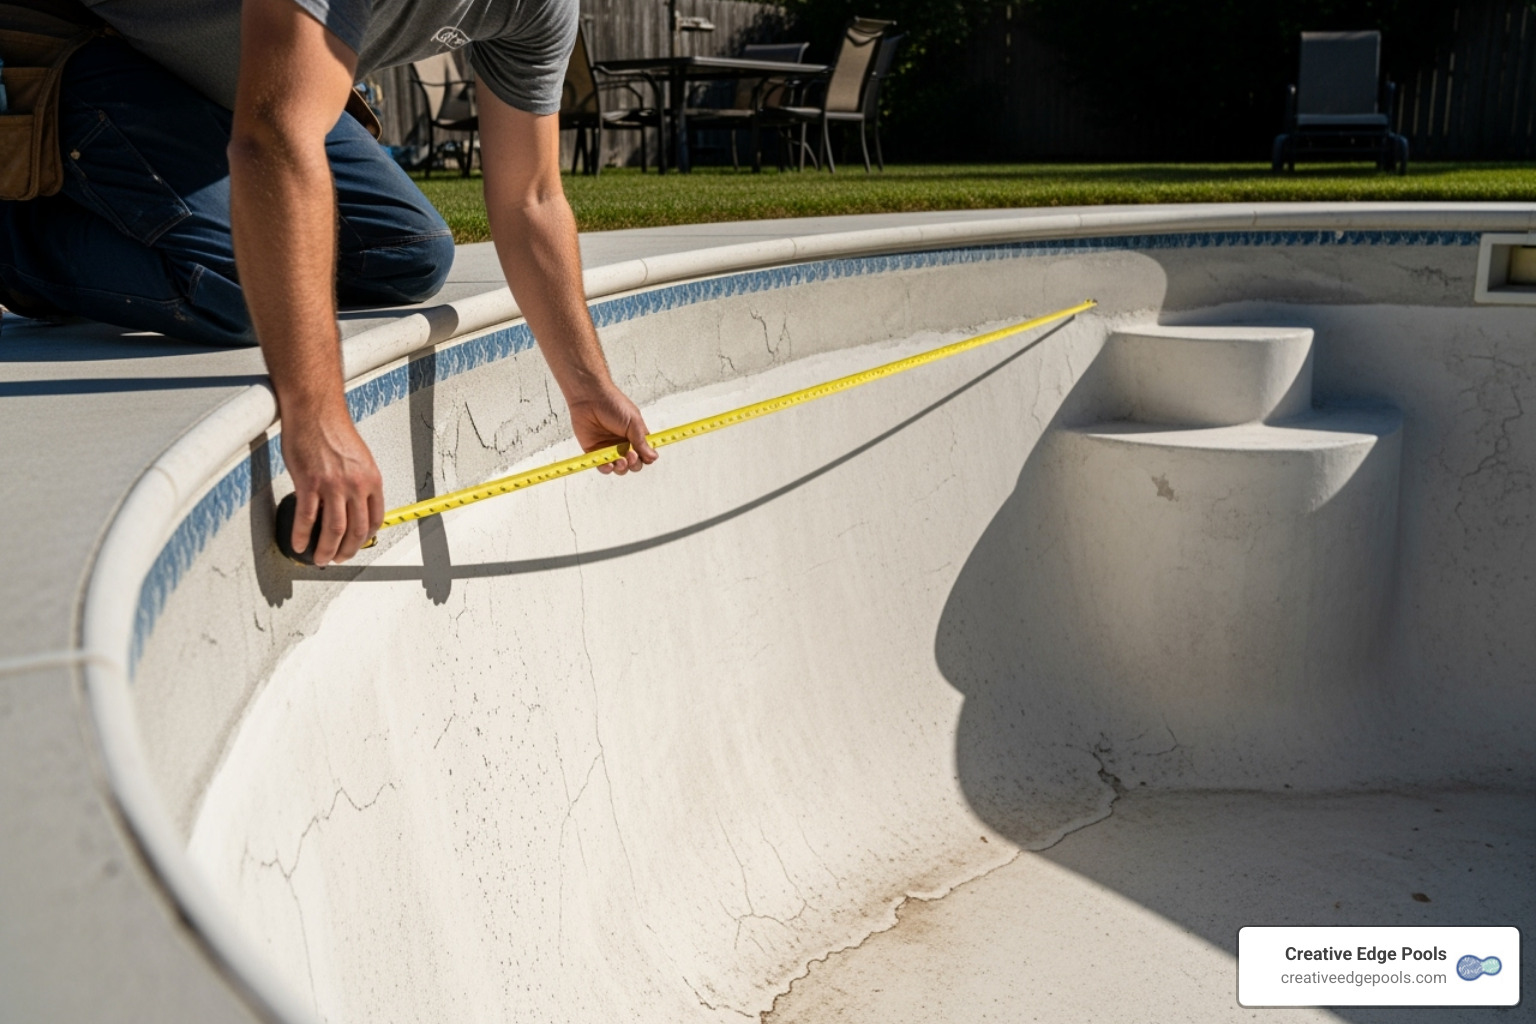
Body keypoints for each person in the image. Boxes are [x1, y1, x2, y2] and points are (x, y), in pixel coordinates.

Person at [0, 0, 658, 566]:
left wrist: (587, 384)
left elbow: (532, 197)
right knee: (234, 287)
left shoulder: (543, 8)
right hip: (87, 42)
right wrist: (318, 415)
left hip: (233, 73)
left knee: (409, 252)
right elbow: (275, 140)